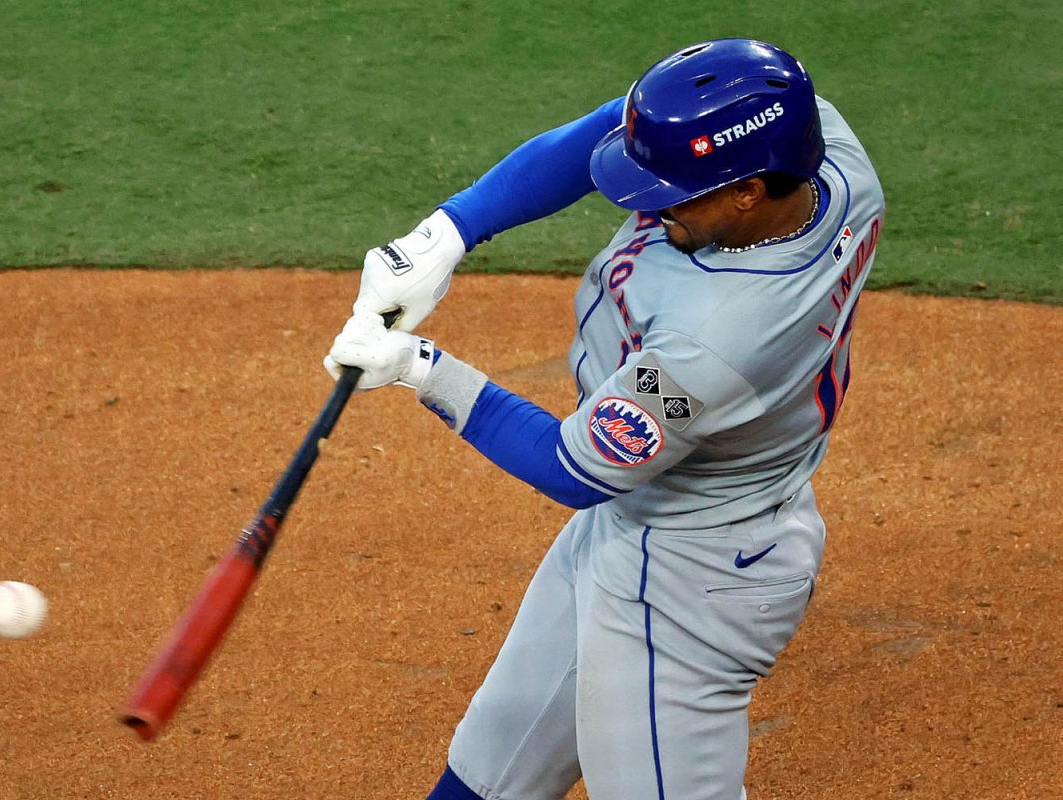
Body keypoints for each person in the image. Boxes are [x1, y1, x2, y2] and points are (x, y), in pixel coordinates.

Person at [324, 37, 884, 800]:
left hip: (694, 576)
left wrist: (422, 368)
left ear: (748, 192)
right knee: (493, 768)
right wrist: (450, 232)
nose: (641, 202)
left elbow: (569, 468)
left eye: (669, 191)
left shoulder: (723, 337)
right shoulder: (819, 149)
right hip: (644, 518)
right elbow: (616, 130)